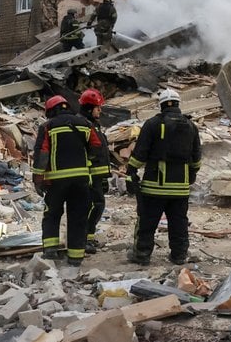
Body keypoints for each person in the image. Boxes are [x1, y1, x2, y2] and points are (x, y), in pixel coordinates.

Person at [126, 88, 202, 266]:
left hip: (154, 186)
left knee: (147, 221)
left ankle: (142, 254)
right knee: (179, 223)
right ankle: (179, 255)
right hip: (180, 188)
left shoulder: (152, 124)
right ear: (178, 104)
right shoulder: (191, 126)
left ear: (161, 105)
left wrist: (131, 170)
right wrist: (191, 175)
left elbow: (140, 153)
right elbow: (196, 157)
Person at [31, 94, 102, 267]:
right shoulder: (86, 124)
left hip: (57, 180)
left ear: (51, 111)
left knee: (52, 214)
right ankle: (76, 256)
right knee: (78, 216)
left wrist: (38, 179)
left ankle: (50, 251)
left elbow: (43, 154)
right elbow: (96, 146)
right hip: (81, 179)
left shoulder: (48, 126)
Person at [78, 88, 111, 254]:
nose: (100, 110)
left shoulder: (93, 125)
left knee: (97, 206)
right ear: (90, 108)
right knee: (92, 206)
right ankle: (83, 240)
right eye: (98, 107)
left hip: (96, 175)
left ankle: (88, 238)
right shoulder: (84, 125)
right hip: (89, 175)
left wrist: (104, 177)